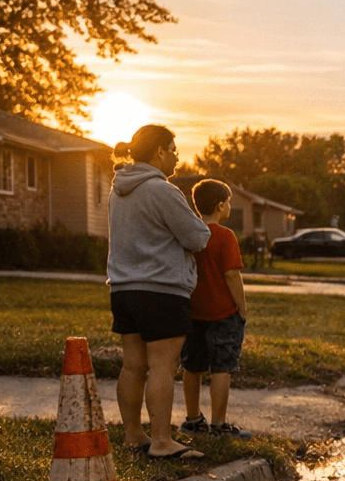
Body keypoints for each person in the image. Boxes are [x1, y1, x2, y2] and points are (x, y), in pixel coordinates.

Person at [107, 124, 210, 460]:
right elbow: (197, 237)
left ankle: (134, 437)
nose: (178, 156)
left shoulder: (117, 190)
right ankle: (163, 442)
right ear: (159, 152)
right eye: (174, 149)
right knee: (162, 367)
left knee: (133, 365)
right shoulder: (161, 190)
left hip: (123, 289)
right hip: (162, 290)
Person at [180, 179, 252, 438]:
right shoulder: (224, 236)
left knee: (192, 366)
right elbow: (231, 275)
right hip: (222, 313)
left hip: (193, 312)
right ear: (221, 206)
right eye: (230, 202)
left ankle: (192, 419)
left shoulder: (190, 236)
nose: (230, 206)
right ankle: (219, 425)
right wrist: (241, 307)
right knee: (222, 368)